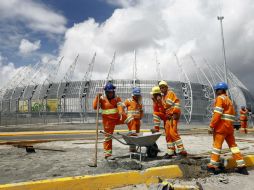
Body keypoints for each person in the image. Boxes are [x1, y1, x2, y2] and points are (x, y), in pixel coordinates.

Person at [207, 82, 248, 175]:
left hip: (221, 128)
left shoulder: (220, 99)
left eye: (217, 90)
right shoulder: (229, 100)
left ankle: (213, 166)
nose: (216, 92)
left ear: (220, 90)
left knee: (217, 147)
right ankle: (242, 166)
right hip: (229, 128)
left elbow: (217, 114)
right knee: (233, 147)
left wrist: (211, 126)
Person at [93, 82, 135, 159]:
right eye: (109, 92)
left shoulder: (117, 98)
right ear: (106, 92)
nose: (110, 94)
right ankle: (108, 155)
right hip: (108, 122)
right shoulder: (102, 98)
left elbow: (119, 106)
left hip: (118, 118)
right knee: (108, 137)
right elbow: (95, 107)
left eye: (112, 92)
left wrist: (121, 112)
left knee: (130, 118)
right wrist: (97, 98)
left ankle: (133, 137)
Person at [123, 87, 143, 152]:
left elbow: (141, 111)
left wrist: (141, 116)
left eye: (138, 95)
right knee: (133, 133)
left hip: (137, 120)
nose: (137, 96)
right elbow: (122, 107)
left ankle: (133, 148)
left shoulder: (140, 102)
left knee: (136, 134)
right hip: (131, 120)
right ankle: (132, 149)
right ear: (133, 95)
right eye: (135, 95)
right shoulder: (128, 101)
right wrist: (125, 116)